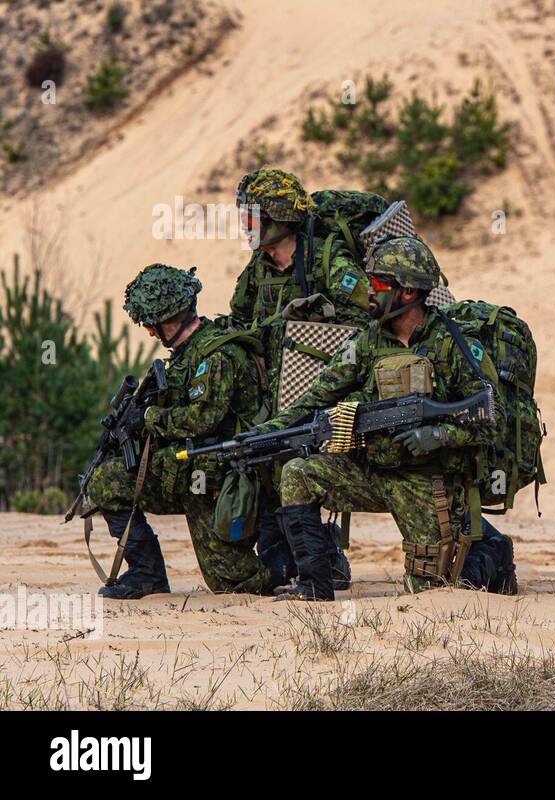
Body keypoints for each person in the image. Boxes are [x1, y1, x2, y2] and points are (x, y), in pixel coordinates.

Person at [248, 237, 517, 601]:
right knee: (298, 474)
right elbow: (317, 397)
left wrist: (438, 434)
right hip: (372, 472)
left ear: (407, 292)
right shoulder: (367, 341)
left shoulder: (452, 344)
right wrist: (265, 433)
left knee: (433, 593)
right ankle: (314, 584)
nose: (368, 293)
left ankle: (492, 552)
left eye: (377, 285)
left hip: (429, 483)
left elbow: (494, 416)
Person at [87, 265, 280, 599]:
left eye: (150, 324)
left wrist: (148, 416)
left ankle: (302, 560)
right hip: (195, 470)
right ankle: (146, 575)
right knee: (106, 480)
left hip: (221, 475)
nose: (148, 332)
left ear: (168, 319)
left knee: (236, 583)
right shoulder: (189, 353)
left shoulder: (216, 354)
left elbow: (201, 419)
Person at [231, 168, 370, 589]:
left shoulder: (327, 258)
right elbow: (239, 321)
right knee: (266, 469)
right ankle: (285, 563)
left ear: (278, 217)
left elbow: (369, 317)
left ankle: (324, 563)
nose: (245, 226)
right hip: (271, 391)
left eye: (252, 217)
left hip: (322, 391)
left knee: (300, 470)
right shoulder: (258, 268)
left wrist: (319, 318)